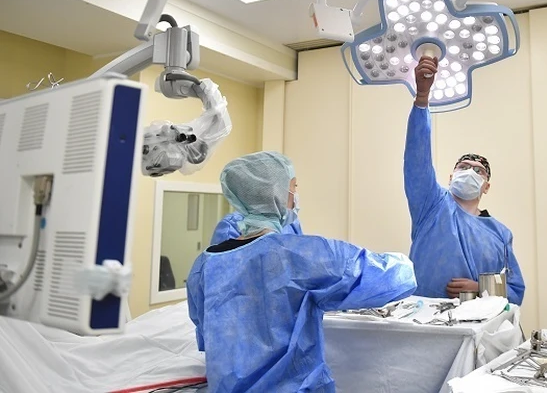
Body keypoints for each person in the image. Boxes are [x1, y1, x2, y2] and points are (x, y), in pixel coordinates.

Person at [187, 152, 416, 393]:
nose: (295, 196)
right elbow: (390, 277)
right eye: (293, 187)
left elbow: (207, 340)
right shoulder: (297, 255)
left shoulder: (203, 266)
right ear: (276, 194)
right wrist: (407, 262)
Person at [403, 56, 525, 305]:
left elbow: (515, 290)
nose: (469, 172)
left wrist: (480, 288)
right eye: (463, 167)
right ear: (451, 177)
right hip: (422, 316)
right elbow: (417, 159)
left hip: (476, 322)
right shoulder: (432, 205)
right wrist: (422, 98)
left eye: (478, 171)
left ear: (486, 186)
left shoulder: (500, 233)